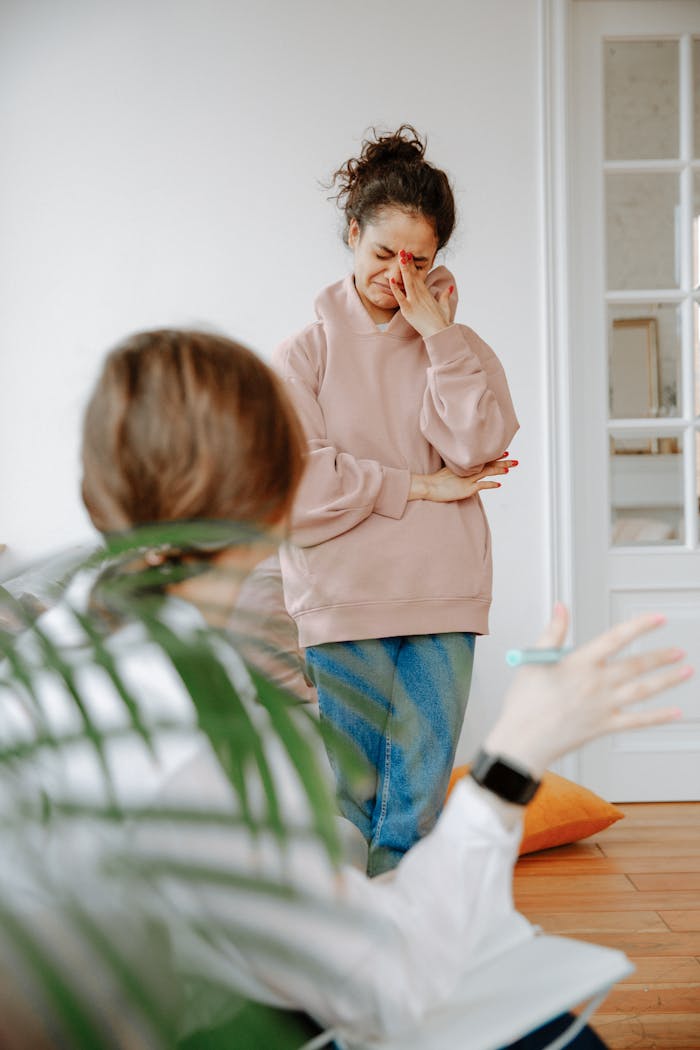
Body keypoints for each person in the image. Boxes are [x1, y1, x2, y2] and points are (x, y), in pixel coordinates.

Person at [2, 328, 689, 1050]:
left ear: (100, 491)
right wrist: (512, 762)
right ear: (280, 499)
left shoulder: (66, 647)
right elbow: (390, 992)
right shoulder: (200, 744)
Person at [274, 125, 520, 876]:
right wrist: (419, 483)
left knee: (417, 802)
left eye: (418, 260)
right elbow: (298, 489)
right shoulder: (302, 354)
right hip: (342, 597)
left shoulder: (459, 346)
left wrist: (439, 338)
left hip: (444, 591)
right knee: (357, 799)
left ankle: (404, 959)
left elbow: (478, 448)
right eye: (383, 255)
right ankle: (361, 964)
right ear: (352, 234)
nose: (397, 274)